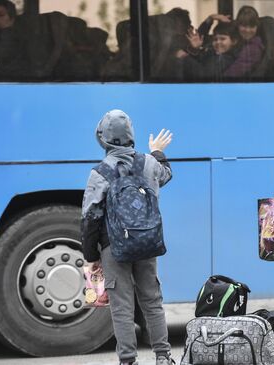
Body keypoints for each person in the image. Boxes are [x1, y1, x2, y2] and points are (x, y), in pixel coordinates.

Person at [81, 110, 175, 365]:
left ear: (103, 139)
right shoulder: (148, 163)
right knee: (152, 300)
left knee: (121, 306)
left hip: (114, 247)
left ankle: (128, 360)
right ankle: (163, 356)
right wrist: (156, 151)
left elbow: (91, 218)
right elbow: (166, 174)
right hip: (147, 242)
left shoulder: (100, 173)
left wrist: (91, 256)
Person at [224, 5, 264, 77]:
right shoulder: (237, 41)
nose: (248, 30)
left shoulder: (253, 48)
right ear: (238, 25)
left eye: (252, 26)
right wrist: (209, 19)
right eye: (244, 26)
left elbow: (231, 74)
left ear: (257, 27)